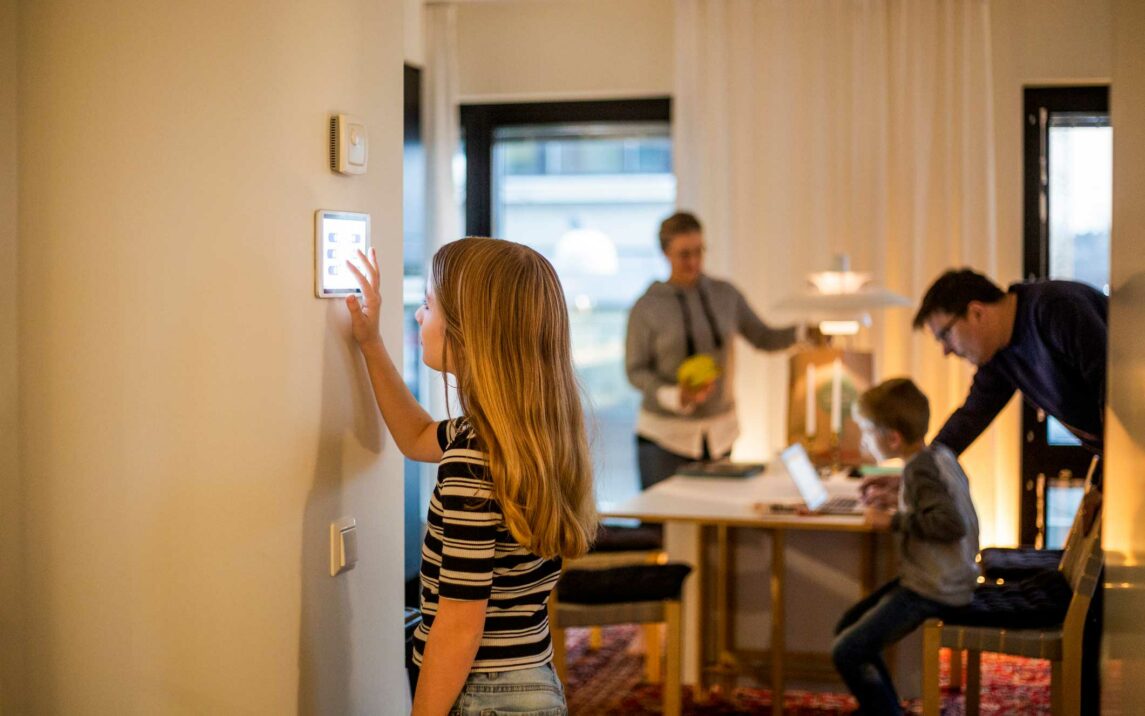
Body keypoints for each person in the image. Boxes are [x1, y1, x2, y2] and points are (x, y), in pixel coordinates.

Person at [345, 239, 597, 716]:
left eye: (428, 304)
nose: (418, 315)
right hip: (530, 680)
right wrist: (371, 343)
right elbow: (417, 436)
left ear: (469, 333)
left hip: (485, 694)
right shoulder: (523, 434)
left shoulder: (473, 459)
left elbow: (460, 626)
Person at [863, 268, 1107, 509]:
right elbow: (968, 420)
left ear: (976, 312)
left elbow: (1112, 391)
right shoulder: (1000, 357)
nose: (946, 351)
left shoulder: (1055, 308)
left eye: (945, 335)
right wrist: (915, 474)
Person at [625, 211, 806, 489]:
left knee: (713, 513)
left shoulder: (725, 294)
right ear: (666, 254)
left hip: (720, 435)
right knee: (664, 517)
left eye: (699, 251)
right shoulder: (646, 306)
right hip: (665, 437)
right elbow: (635, 370)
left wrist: (804, 333)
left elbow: (763, 337)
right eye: (684, 254)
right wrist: (674, 395)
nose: (694, 261)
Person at [833, 378, 980, 716]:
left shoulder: (918, 470)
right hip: (945, 579)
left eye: (868, 432)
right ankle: (883, 708)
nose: (865, 440)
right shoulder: (938, 455)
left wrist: (892, 521)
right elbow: (933, 505)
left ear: (893, 438)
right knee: (848, 627)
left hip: (935, 588)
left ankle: (885, 712)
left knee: (847, 650)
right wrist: (896, 498)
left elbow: (949, 524)